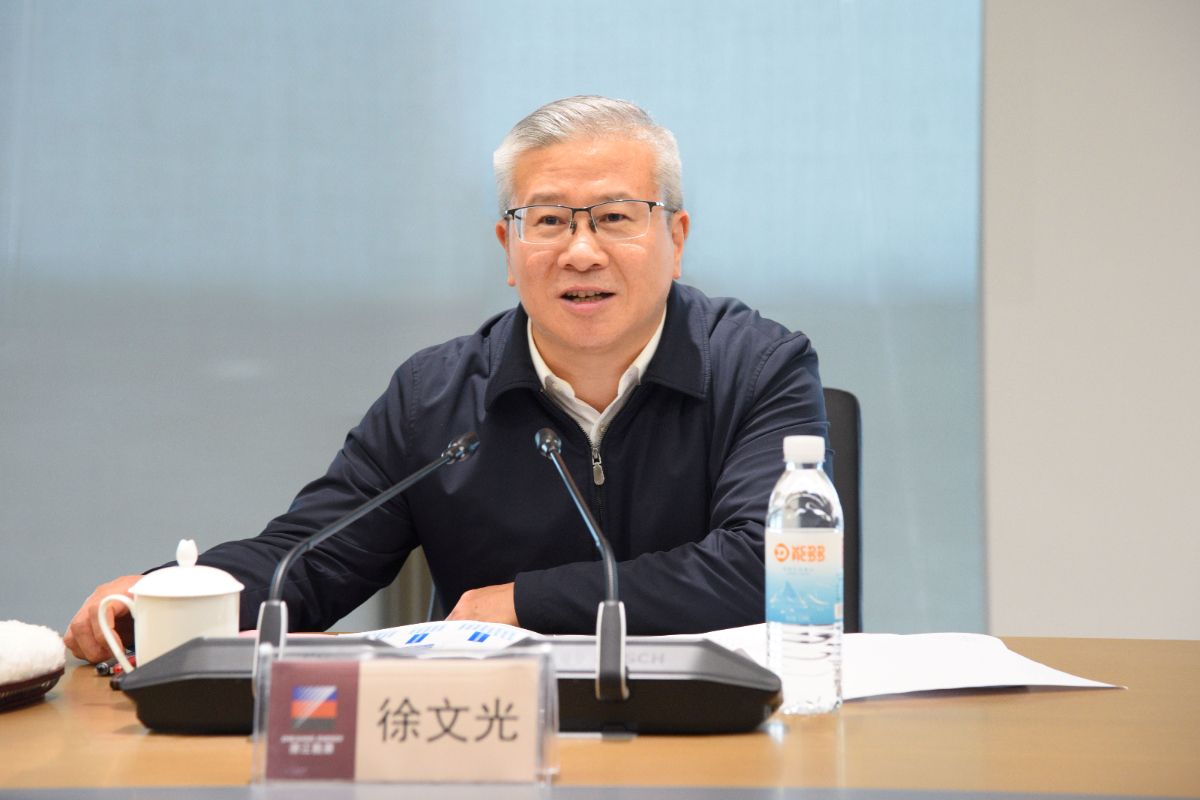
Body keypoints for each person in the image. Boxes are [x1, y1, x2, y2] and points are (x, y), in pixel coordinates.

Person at [65, 96, 829, 663]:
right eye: (549, 220)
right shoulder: (435, 397)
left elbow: (767, 567)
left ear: (676, 238)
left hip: (716, 727)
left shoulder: (759, 367)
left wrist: (528, 601)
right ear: (508, 247)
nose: (581, 251)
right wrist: (167, 596)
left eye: (615, 217)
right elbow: (312, 558)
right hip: (498, 738)